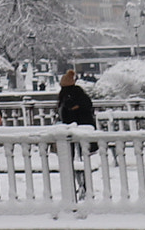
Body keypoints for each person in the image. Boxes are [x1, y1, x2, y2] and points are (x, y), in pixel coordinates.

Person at [59, 68, 98, 199]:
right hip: (80, 128)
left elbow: (69, 109)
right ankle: (83, 186)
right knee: (81, 158)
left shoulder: (69, 94)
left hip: (75, 129)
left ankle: (82, 186)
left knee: (76, 159)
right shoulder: (77, 93)